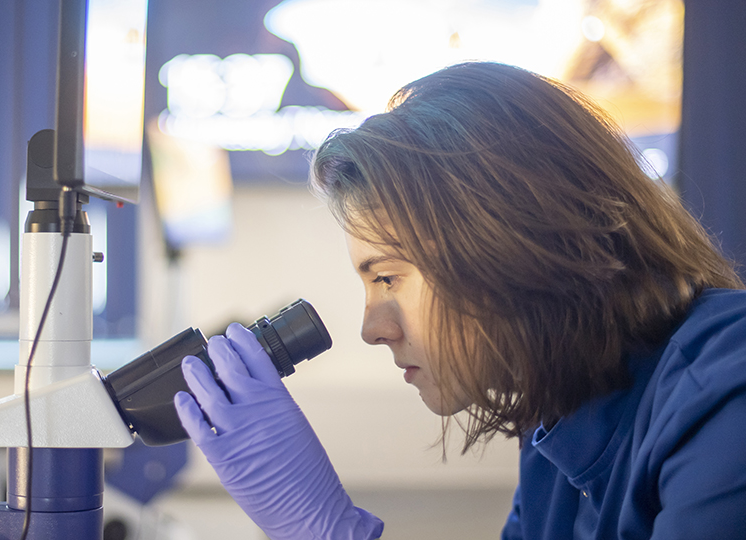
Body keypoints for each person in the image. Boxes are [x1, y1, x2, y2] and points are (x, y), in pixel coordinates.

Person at [172, 61, 746, 539]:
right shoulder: (564, 414)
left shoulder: (725, 397)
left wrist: (327, 529)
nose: (372, 329)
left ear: (509, 240)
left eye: (388, 278)